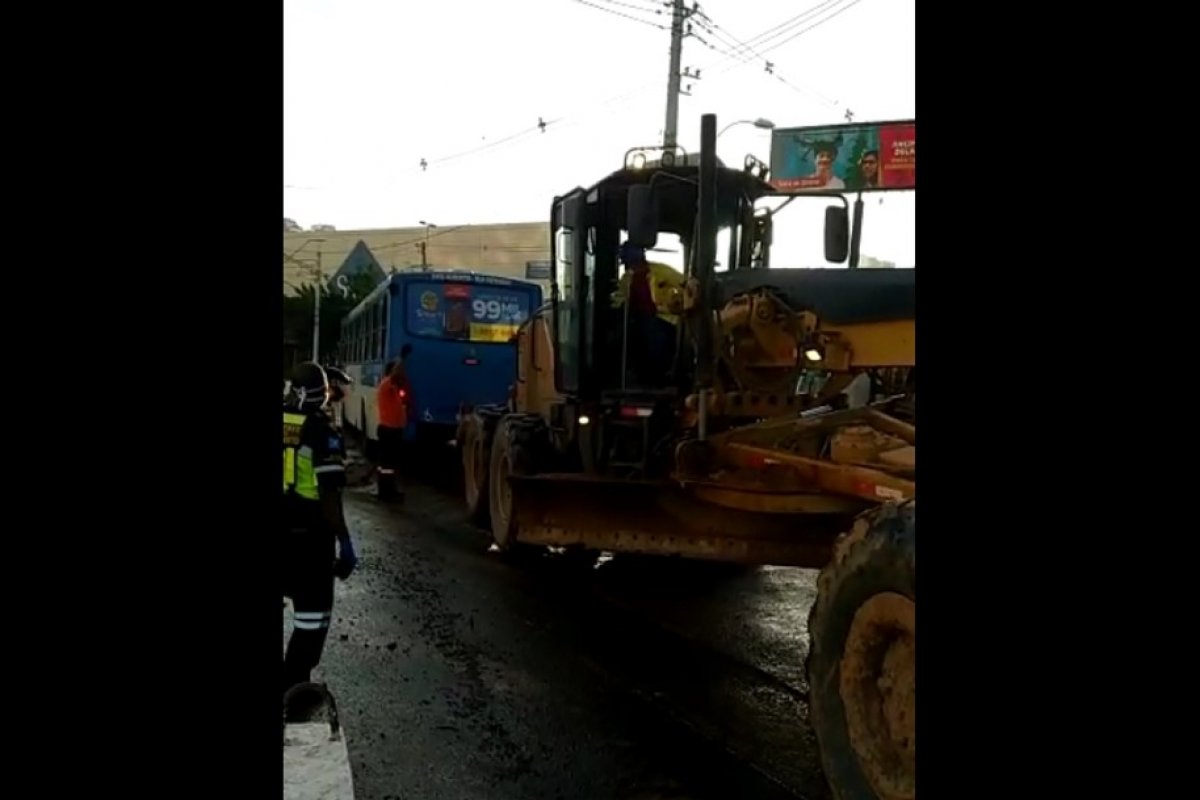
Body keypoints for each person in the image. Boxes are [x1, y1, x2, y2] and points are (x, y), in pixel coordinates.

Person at [282, 361, 357, 700]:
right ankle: (293, 687)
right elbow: (329, 495)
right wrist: (345, 542)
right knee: (312, 620)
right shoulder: (321, 431)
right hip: (310, 540)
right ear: (321, 393)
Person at [611, 243, 681, 386]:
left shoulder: (661, 272)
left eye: (630, 261)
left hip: (664, 319)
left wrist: (673, 301)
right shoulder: (627, 278)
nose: (630, 266)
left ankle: (657, 377)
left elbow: (684, 285)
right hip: (637, 320)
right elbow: (619, 298)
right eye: (627, 263)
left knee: (654, 334)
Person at [375, 344, 411, 501]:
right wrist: (402, 358)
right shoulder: (386, 384)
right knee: (387, 466)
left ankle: (388, 491)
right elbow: (397, 373)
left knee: (388, 465)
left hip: (393, 430)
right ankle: (386, 493)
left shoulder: (393, 387)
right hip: (388, 430)